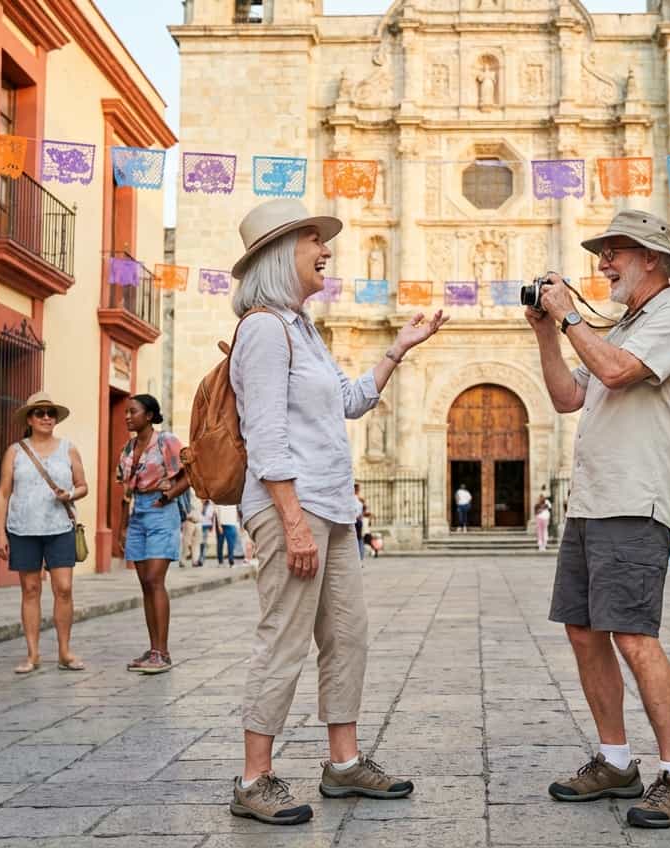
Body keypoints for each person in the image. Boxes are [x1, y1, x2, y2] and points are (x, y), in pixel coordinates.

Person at [227, 198, 445, 824]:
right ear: (277, 255)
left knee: (346, 636)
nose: (326, 248)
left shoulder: (303, 330)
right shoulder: (265, 329)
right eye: (312, 241)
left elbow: (347, 402)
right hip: (291, 509)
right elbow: (265, 434)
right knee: (284, 639)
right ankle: (254, 777)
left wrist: (398, 349)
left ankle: (343, 764)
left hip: (333, 507)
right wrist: (292, 519)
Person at [533, 209, 670, 829]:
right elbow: (567, 396)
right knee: (583, 632)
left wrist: (571, 316)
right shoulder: (627, 322)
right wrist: (545, 332)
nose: (602, 264)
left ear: (652, 259)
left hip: (636, 502)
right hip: (591, 502)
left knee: (635, 637)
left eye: (614, 253)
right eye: (603, 253)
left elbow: (614, 371)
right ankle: (614, 759)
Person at [0, 392, 88, 674]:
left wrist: (69, 493)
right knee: (30, 589)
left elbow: (83, 485)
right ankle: (33, 654)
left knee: (64, 589)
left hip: (59, 528)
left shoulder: (68, 449)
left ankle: (64, 652)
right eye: (40, 413)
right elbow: (3, 493)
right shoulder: (15, 451)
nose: (46, 417)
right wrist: (0, 533)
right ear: (30, 419)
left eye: (51, 413)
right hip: (23, 528)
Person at [117, 394, 189, 675]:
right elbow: (124, 490)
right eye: (125, 412)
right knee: (145, 584)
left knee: (154, 579)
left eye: (132, 412)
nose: (127, 416)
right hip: (138, 514)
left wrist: (169, 494)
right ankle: (154, 649)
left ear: (149, 415)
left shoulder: (166, 441)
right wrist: (123, 525)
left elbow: (190, 473)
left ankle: (163, 652)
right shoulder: (128, 448)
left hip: (162, 509)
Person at [181, 497, 204, 567]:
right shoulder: (187, 492)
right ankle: (182, 560)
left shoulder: (199, 495)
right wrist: (187, 516)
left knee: (197, 542)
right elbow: (183, 505)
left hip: (198, 521)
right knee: (186, 542)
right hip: (189, 520)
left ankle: (195, 561)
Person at [353, 483, 366, 559]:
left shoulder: (353, 498)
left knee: (356, 538)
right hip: (359, 520)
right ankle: (360, 557)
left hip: (355, 520)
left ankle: (358, 556)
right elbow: (363, 509)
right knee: (359, 538)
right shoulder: (360, 499)